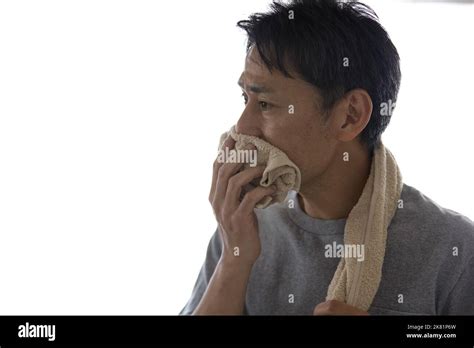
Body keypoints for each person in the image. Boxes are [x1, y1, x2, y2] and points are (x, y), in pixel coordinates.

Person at [180, 0, 474, 315]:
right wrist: (234, 260)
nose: (242, 126)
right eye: (245, 97)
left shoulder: (454, 249)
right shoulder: (243, 223)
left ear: (350, 116)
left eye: (265, 103)